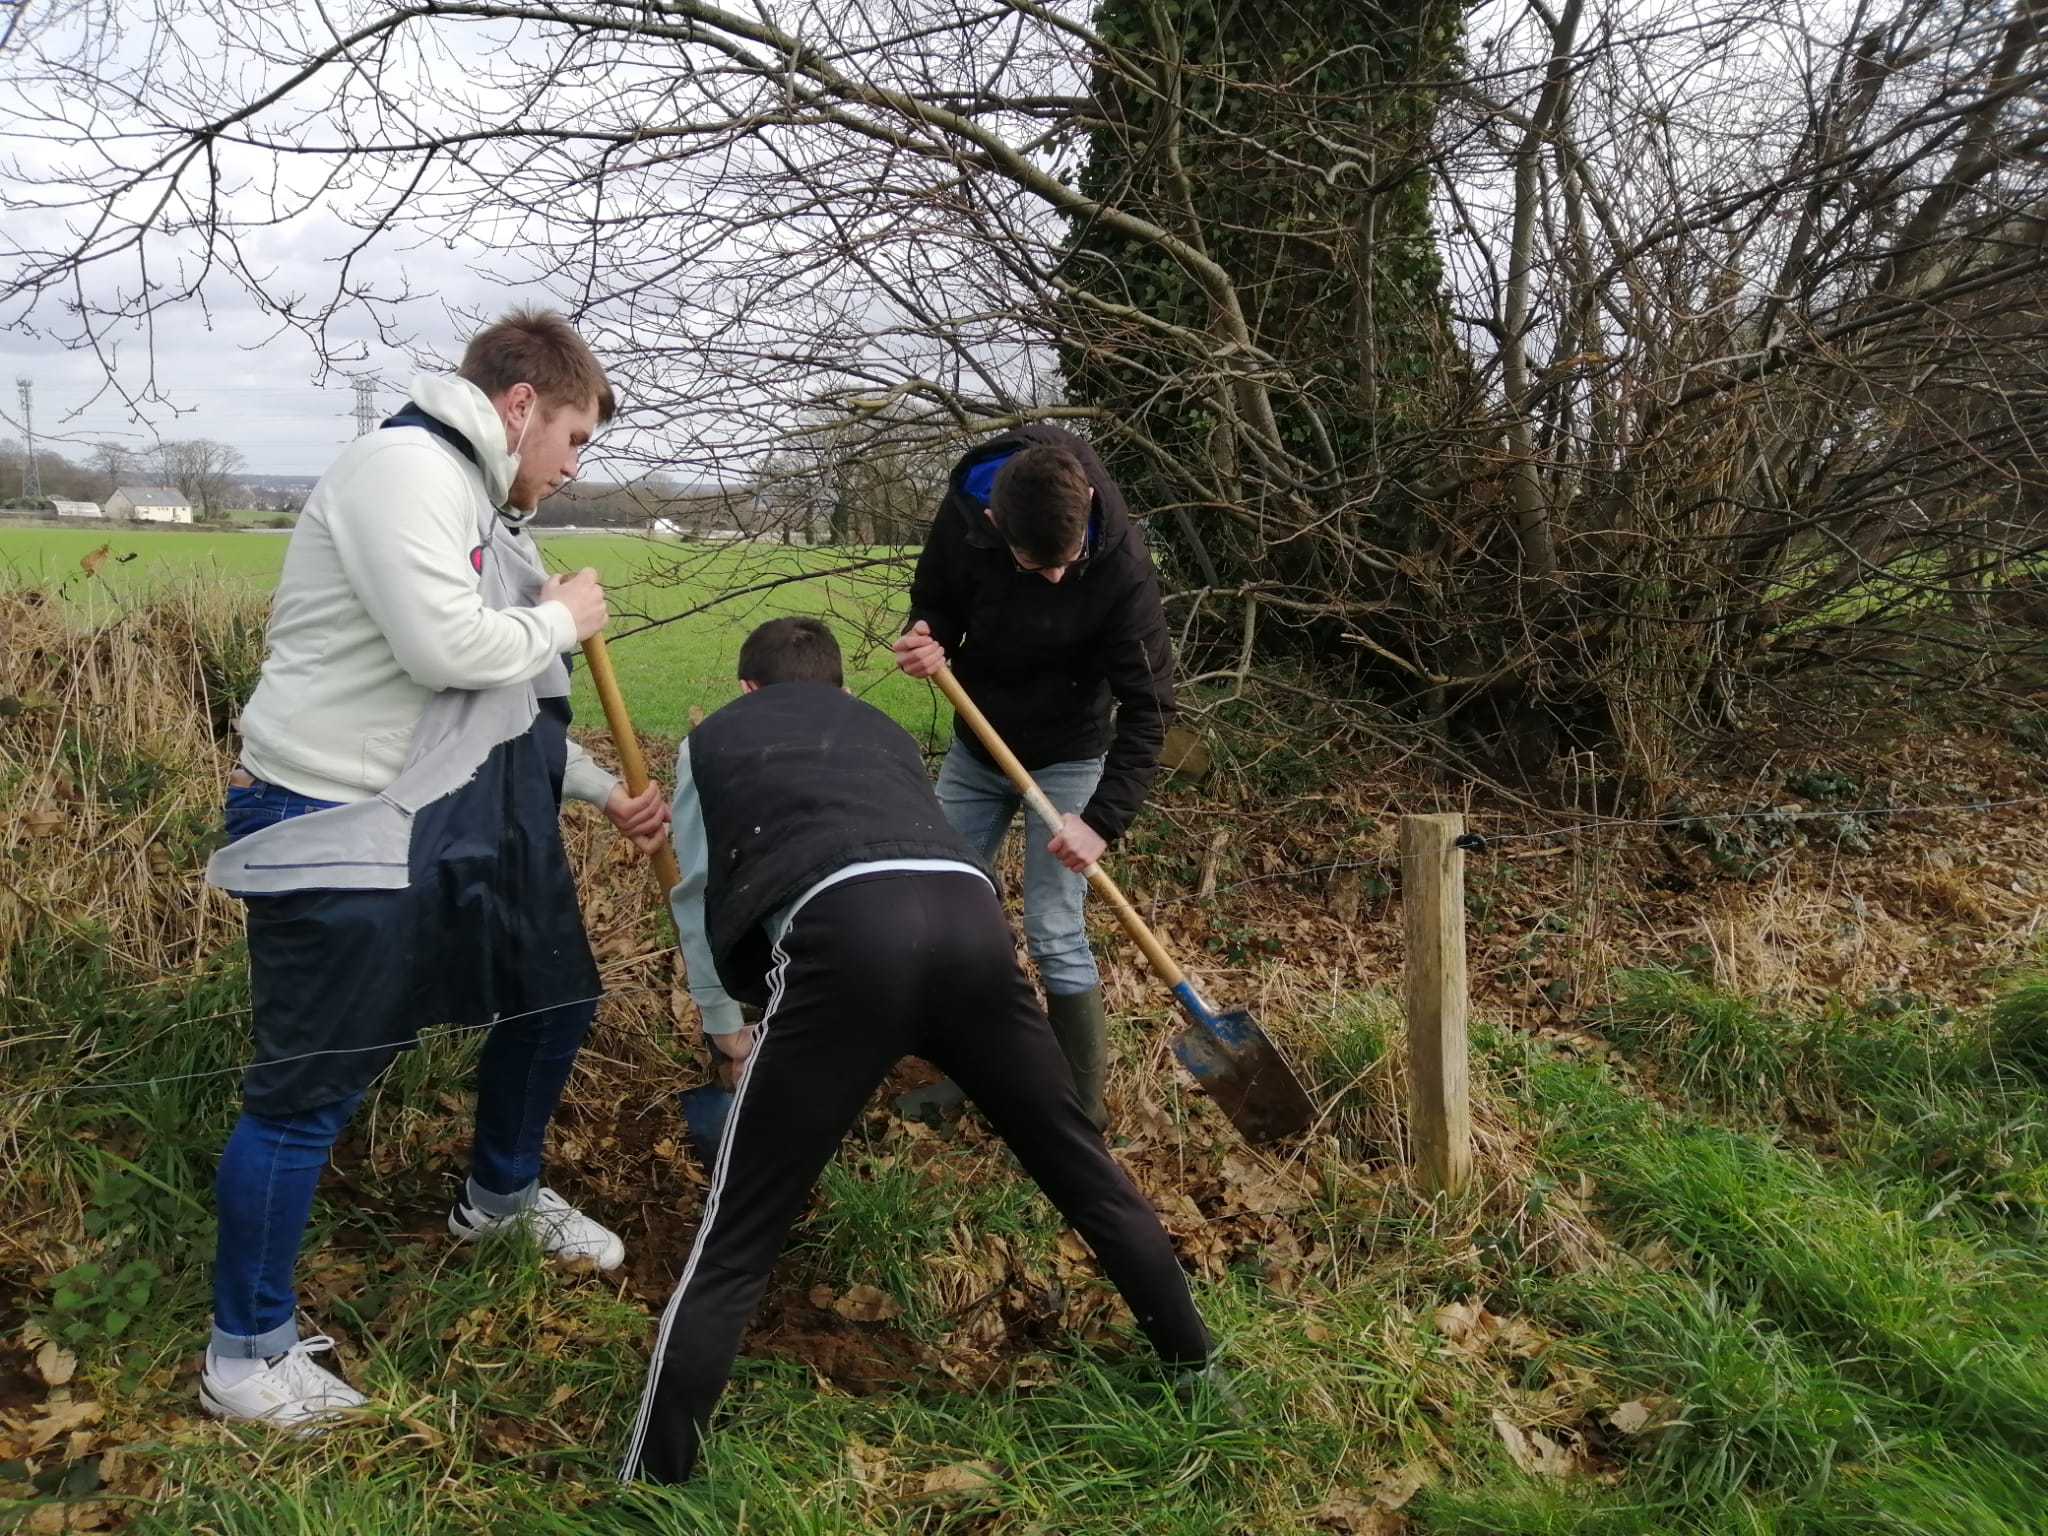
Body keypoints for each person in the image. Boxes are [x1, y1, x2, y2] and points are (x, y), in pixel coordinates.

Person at [196, 308, 669, 1427]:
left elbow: (493, 713)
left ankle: (498, 1199)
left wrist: (605, 794)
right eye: (573, 440)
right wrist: (560, 616)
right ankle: (245, 1354)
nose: (569, 469)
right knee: (308, 1092)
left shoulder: (482, 505)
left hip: (440, 814)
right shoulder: (404, 470)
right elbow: (447, 650)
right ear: (520, 407)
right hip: (337, 818)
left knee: (550, 995)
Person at [619, 616, 1212, 1485]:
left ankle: (655, 1479)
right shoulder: (882, 729)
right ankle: (1200, 1370)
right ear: (844, 692)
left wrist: (728, 1031)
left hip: (845, 939)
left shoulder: (715, 740)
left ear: (747, 691)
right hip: (971, 925)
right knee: (1083, 1169)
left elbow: (701, 892)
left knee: (738, 1236)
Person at [891, 424, 1173, 1130]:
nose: (1053, 577)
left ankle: (1081, 1113)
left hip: (1072, 753)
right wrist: (927, 638)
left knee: (1053, 927)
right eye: (1032, 563)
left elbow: (1149, 707)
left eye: (1065, 561)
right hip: (979, 745)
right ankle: (978, 1075)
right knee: (939, 910)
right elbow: (937, 602)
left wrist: (1100, 822)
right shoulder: (966, 516)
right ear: (993, 525)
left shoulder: (1120, 564)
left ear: (1084, 510)